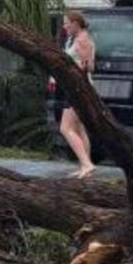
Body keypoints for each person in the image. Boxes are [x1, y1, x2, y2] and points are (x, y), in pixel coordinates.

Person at [58, 11, 97, 179]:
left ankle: (87, 164)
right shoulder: (76, 39)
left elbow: (88, 67)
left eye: (67, 23)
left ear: (75, 23)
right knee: (79, 127)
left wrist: (81, 64)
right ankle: (85, 165)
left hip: (78, 88)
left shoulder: (82, 40)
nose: (64, 26)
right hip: (75, 86)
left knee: (65, 128)